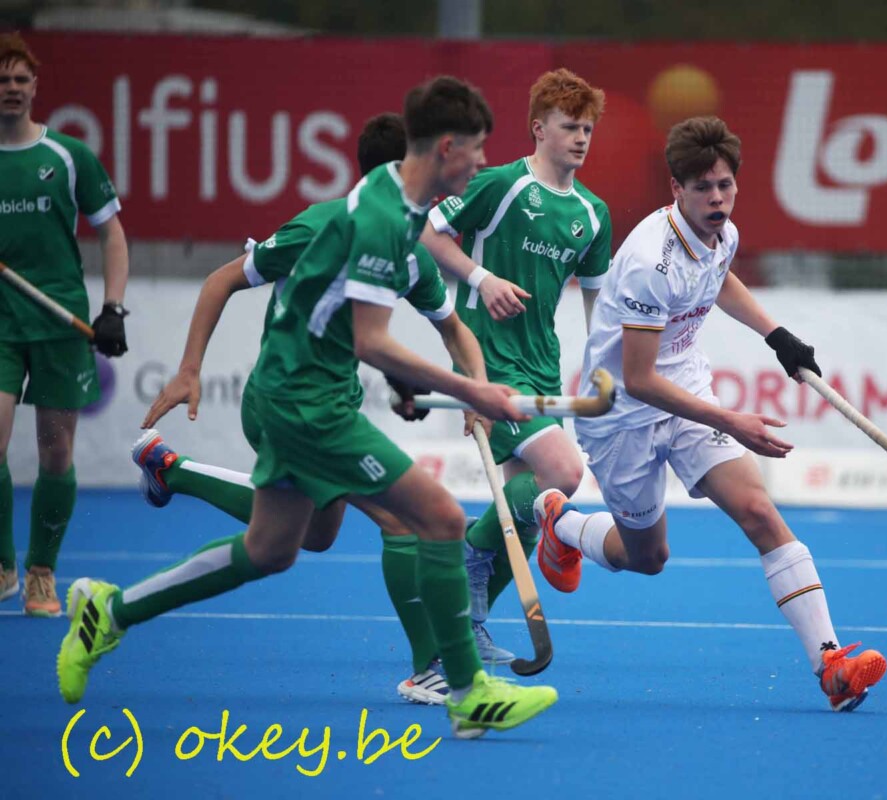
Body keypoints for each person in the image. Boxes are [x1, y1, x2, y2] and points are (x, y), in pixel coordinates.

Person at [57, 76, 558, 739]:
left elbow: (426, 327)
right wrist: (473, 391)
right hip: (305, 405)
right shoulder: (379, 219)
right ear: (446, 147)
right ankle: (463, 689)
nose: (483, 162)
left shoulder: (403, 216)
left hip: (310, 394)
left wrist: (450, 380)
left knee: (272, 549)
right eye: (477, 149)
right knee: (437, 518)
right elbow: (370, 340)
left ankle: (109, 611)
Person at [533, 116, 887, 712]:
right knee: (647, 559)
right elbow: (641, 380)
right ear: (677, 189)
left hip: (687, 392)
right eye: (703, 188)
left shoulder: (722, 233)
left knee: (758, 511)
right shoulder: (651, 262)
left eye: (725, 185)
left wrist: (777, 336)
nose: (717, 198)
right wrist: (730, 421)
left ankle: (831, 666)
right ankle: (561, 523)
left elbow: (720, 280)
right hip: (622, 414)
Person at [133, 112, 477, 705]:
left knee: (308, 538)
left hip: (333, 407)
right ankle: (431, 670)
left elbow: (452, 329)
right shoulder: (319, 226)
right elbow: (220, 281)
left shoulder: (411, 251)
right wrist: (189, 369)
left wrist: (477, 387)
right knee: (403, 520)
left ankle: (171, 472)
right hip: (287, 406)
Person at [419, 68, 610, 662]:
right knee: (563, 473)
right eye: (569, 127)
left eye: (587, 129)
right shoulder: (502, 183)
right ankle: (469, 560)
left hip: (542, 363)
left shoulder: (593, 213)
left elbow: (598, 308)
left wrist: (607, 371)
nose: (581, 138)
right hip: (487, 357)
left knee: (520, 516)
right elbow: (428, 234)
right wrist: (482, 277)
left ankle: (465, 629)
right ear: (539, 129)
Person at [0, 32, 130, 617]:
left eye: (19, 79)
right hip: (1, 327)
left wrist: (113, 307)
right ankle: (3, 565)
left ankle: (40, 572)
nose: (11, 88)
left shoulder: (69, 156)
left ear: (35, 86)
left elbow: (111, 233)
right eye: (2, 80)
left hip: (59, 324)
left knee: (56, 455)